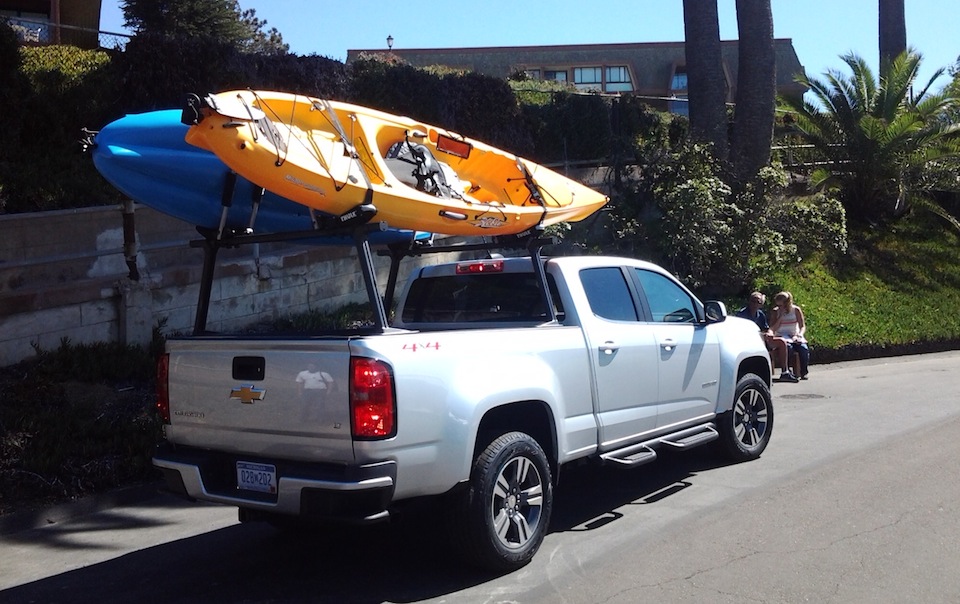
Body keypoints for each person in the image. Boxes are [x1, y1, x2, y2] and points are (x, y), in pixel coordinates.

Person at [737, 292, 798, 382]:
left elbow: (766, 329)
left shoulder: (761, 314)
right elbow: (739, 330)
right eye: (753, 301)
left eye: (758, 302)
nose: (755, 304)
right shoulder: (742, 314)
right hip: (747, 341)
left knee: (781, 341)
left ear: (761, 304)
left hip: (761, 340)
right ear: (749, 302)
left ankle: (785, 372)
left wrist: (768, 333)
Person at [769, 291, 810, 380]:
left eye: (781, 305)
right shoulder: (776, 311)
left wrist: (799, 334)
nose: (779, 307)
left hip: (795, 335)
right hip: (782, 335)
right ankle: (787, 371)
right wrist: (781, 317)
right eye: (778, 305)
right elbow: (773, 327)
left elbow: (802, 326)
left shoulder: (796, 310)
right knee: (788, 348)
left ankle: (804, 372)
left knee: (803, 349)